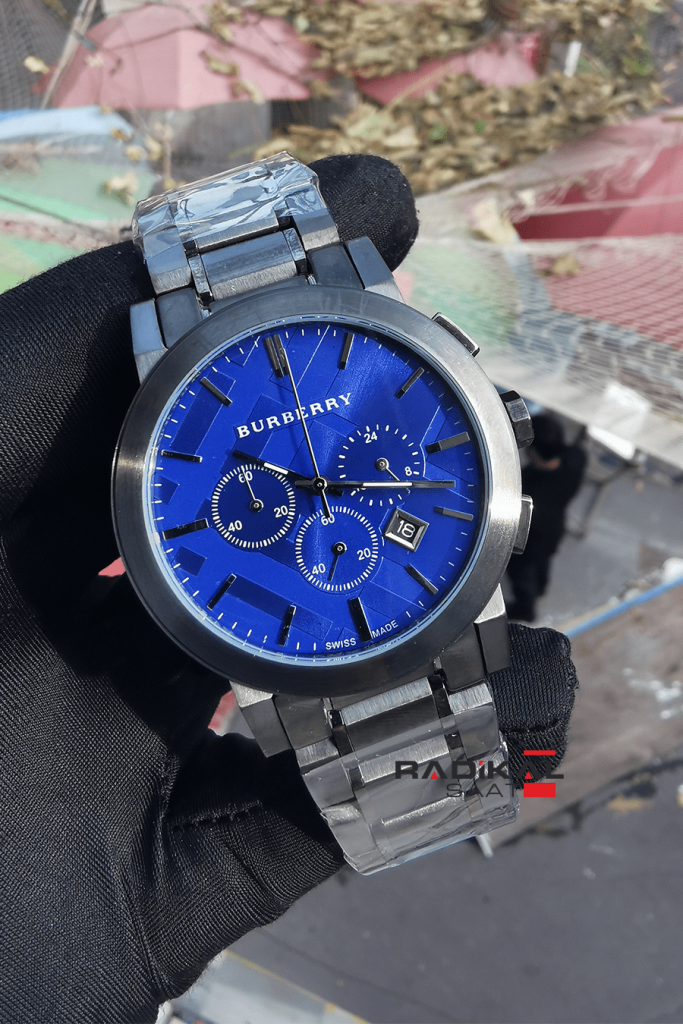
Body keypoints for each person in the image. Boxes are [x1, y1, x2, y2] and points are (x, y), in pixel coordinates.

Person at [0, 154, 578, 1024]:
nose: (315, 488)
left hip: (375, 606)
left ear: (500, 430)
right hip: (298, 623)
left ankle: (450, 792)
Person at [507, 413, 587, 622]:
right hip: (554, 529)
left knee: (521, 571)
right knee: (542, 563)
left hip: (531, 535)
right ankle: (540, 589)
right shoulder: (574, 461)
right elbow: (574, 455)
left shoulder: (528, 483)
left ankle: (525, 609)